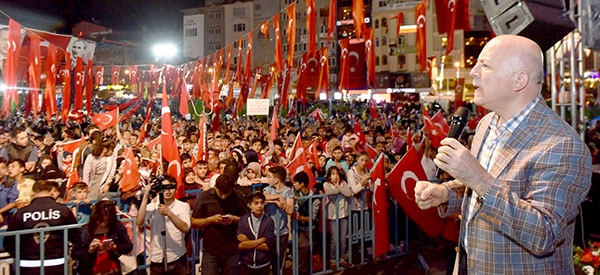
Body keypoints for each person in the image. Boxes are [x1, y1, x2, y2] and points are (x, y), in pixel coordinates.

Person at [414, 35, 592, 274]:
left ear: (519, 80)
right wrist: (447, 193)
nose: (473, 72)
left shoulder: (562, 144)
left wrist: (477, 177)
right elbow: (483, 188)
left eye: (484, 65)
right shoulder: (487, 124)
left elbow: (544, 234)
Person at [4, 180, 78, 274]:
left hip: (28, 263)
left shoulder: (21, 213)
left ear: (33, 192)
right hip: (57, 261)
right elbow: (75, 235)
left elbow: (9, 241)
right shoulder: (63, 210)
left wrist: (20, 254)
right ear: (51, 191)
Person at [191, 174, 248, 275]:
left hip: (232, 249)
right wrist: (210, 220)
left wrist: (234, 219)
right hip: (211, 250)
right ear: (215, 187)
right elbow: (193, 222)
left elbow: (247, 220)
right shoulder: (205, 197)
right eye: (221, 193)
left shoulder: (238, 196)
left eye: (227, 193)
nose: (223, 196)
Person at [136, 174, 190, 274]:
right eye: (164, 188)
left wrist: (169, 213)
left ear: (175, 188)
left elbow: (185, 228)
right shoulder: (153, 206)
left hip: (177, 256)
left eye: (171, 188)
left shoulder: (183, 206)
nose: (168, 191)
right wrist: (146, 196)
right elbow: (139, 222)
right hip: (157, 258)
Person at [71, 199, 133, 275]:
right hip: (91, 270)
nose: (104, 222)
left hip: (114, 270)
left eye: (107, 219)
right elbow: (74, 254)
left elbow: (128, 246)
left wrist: (114, 247)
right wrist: (89, 250)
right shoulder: (85, 230)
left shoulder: (117, 226)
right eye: (101, 219)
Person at [264, 166, 294, 275]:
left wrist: (277, 202)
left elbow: (290, 210)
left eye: (269, 177)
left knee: (278, 262)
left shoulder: (288, 191)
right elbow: (263, 197)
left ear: (276, 179)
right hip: (269, 232)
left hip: (282, 232)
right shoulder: (268, 189)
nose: (268, 179)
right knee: (267, 261)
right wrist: (278, 198)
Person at [237, 191, 275, 275]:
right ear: (249, 205)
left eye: (262, 203)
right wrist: (262, 240)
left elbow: (268, 247)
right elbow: (241, 245)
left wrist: (248, 241)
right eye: (256, 203)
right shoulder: (243, 220)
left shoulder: (269, 221)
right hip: (246, 264)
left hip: (263, 265)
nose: (260, 206)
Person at [291, 171, 321, 274]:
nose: (294, 185)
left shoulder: (315, 197)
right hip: (298, 229)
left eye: (296, 183)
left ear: (302, 183)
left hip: (311, 228)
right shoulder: (293, 193)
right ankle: (300, 270)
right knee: (305, 246)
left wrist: (299, 217)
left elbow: (312, 217)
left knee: (309, 251)